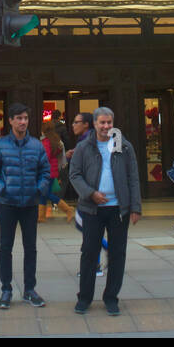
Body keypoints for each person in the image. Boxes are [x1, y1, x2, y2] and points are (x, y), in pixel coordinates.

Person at [68, 106, 141, 316]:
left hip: (119, 210)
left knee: (117, 254)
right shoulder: (85, 147)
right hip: (92, 209)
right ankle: (84, 298)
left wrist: (135, 207)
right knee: (89, 254)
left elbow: (133, 177)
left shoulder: (123, 146)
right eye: (102, 123)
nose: (106, 126)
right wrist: (90, 193)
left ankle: (111, 298)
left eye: (109, 122)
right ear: (95, 124)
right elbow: (75, 174)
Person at [0, 103, 51, 309]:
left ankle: (30, 289)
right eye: (19, 118)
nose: (23, 122)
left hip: (30, 204)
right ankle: (6, 290)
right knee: (6, 247)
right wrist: (1, 188)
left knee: (31, 248)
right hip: (8, 204)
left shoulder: (36, 146)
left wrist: (38, 190)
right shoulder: (0, 145)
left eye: (25, 118)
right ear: (11, 120)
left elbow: (45, 172)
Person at [66, 112, 103, 276]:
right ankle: (97, 261)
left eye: (76, 122)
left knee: (88, 230)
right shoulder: (85, 140)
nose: (73, 125)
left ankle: (96, 264)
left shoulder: (88, 141)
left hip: (89, 194)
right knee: (85, 228)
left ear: (86, 124)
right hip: (89, 193)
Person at [39, 118, 72, 221]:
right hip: (53, 170)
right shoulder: (56, 140)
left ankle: (67, 209)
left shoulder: (46, 141)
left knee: (46, 193)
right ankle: (41, 217)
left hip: (46, 171)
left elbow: (46, 156)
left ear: (43, 130)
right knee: (44, 193)